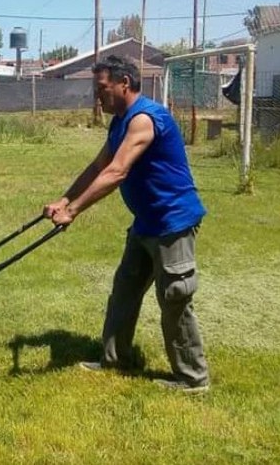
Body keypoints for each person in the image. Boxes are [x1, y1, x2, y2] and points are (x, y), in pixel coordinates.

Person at [43, 55, 210, 393]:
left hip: (172, 221)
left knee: (174, 298)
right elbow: (98, 166)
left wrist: (73, 211)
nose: (97, 95)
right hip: (146, 222)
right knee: (125, 291)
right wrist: (64, 199)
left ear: (124, 83)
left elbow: (117, 172)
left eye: (102, 88)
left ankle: (193, 379)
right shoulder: (119, 122)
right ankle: (116, 358)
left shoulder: (144, 120)